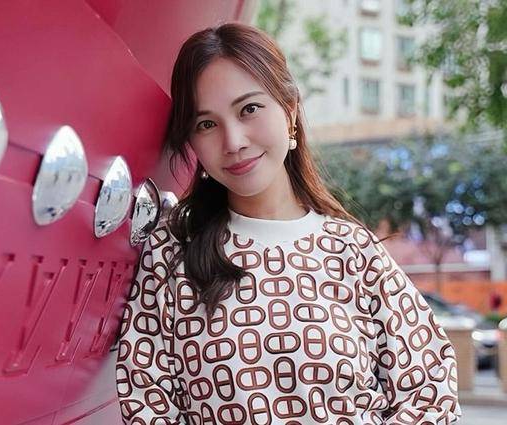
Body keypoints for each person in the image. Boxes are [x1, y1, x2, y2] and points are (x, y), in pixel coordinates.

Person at [115, 23, 461, 424]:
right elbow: (146, 399)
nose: (233, 141)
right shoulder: (172, 252)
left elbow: (431, 393)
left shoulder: (354, 252)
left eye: (249, 109)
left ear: (290, 110)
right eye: (206, 124)